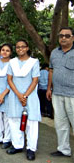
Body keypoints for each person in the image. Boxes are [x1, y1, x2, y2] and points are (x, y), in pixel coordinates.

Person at [6, 39, 40, 161]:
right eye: (18, 47)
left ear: (27, 48)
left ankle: (31, 148)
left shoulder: (34, 62)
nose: (20, 49)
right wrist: (19, 95)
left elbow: (35, 80)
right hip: (15, 95)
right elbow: (9, 79)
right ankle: (17, 145)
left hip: (30, 96)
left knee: (31, 122)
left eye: (22, 47)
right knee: (14, 120)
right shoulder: (12, 62)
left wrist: (24, 96)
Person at [47, 27, 74, 158]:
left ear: (72, 38)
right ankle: (64, 149)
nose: (63, 38)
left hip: (73, 95)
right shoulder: (54, 53)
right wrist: (48, 88)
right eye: (61, 36)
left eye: (67, 36)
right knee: (60, 123)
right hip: (57, 94)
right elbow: (51, 70)